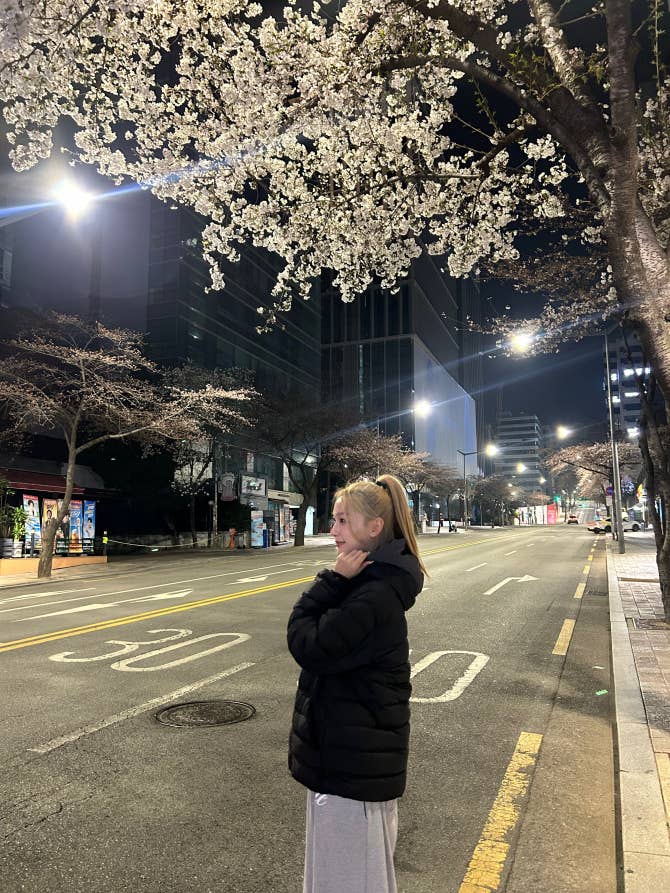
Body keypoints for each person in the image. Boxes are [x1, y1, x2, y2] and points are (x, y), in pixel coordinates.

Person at [287, 474, 426, 893]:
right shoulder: (370, 582)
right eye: (334, 520)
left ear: (375, 527)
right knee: (350, 874)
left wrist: (331, 580)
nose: (333, 530)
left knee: (350, 878)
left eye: (343, 521)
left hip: (353, 767)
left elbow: (307, 643)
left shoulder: (373, 594)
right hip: (350, 759)